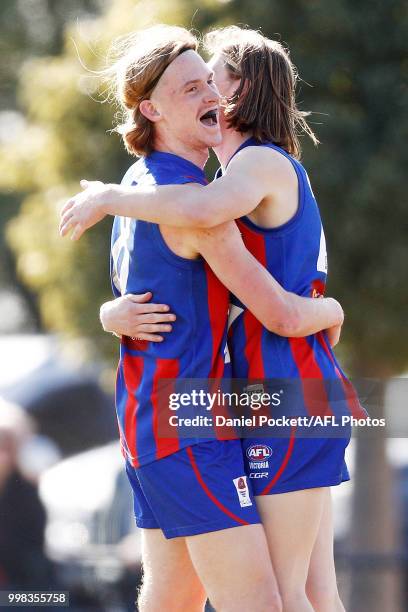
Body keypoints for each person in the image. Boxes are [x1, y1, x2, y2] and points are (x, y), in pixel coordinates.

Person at [61, 25, 367, 611]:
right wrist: (331, 307)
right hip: (195, 414)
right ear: (151, 108)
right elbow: (274, 309)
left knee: (185, 598)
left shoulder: (145, 185)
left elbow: (180, 292)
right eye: (191, 87)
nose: (210, 97)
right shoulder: (187, 200)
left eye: (211, 82)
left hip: (181, 412)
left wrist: (108, 306)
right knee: (272, 600)